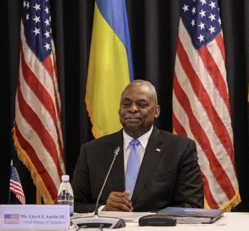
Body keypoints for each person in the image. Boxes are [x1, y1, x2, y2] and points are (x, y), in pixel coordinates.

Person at [72, 80, 204, 213]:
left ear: (156, 111)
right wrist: (102, 209)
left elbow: (191, 206)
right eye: (126, 104)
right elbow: (73, 205)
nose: (133, 109)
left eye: (142, 104)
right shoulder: (92, 151)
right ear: (119, 110)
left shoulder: (180, 149)